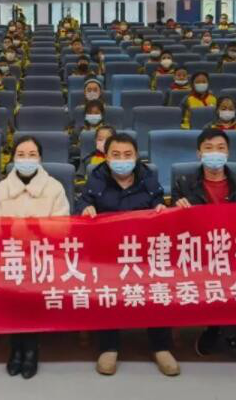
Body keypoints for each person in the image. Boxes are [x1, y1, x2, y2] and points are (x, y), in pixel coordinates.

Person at [77, 133, 176, 376]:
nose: (122, 160)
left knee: (158, 286)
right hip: (107, 253)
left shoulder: (148, 180)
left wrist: (161, 209)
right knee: (106, 289)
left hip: (143, 252)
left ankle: (160, 346)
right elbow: (81, 203)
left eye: (127, 155)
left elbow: (160, 205)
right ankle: (109, 347)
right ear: (106, 157)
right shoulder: (95, 180)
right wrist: (85, 209)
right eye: (116, 155)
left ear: (136, 156)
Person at [171, 128, 236, 367]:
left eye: (220, 148)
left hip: (235, 251)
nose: (214, 153)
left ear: (228, 152)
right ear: (199, 154)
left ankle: (220, 330)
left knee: (232, 274)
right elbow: (174, 225)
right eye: (208, 148)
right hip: (199, 251)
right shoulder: (184, 183)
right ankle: (229, 333)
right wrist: (177, 208)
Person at [0, 136, 70, 379]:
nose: (26, 159)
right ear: (13, 158)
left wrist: (33, 229)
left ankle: (31, 348)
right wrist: (21, 233)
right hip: (11, 255)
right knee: (14, 291)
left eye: (32, 154)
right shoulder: (1, 189)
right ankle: (16, 347)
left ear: (40, 158)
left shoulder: (54, 187)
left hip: (44, 255)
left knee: (32, 291)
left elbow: (63, 228)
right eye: (21, 155)